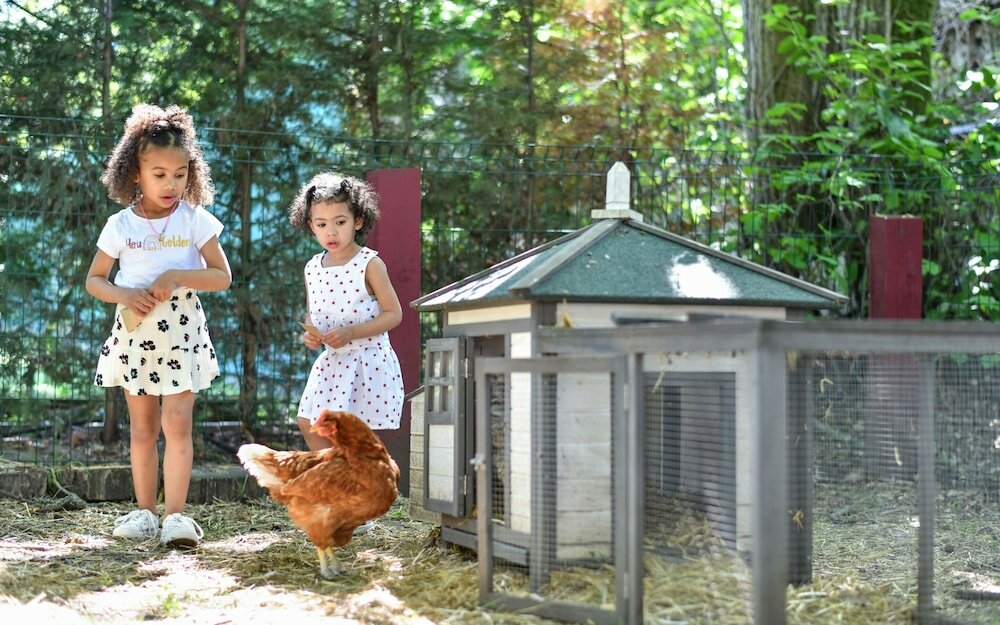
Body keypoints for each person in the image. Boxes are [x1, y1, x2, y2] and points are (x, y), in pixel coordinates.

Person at [86, 104, 231, 548]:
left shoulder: (195, 220)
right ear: (135, 173)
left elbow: (222, 277)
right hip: (136, 339)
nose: (172, 184)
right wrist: (125, 294)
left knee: (178, 427)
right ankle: (145, 513)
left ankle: (176, 518)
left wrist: (175, 277)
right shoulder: (120, 225)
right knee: (143, 430)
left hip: (181, 336)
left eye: (181, 174)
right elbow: (94, 280)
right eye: (160, 174)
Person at [287, 172, 404, 453]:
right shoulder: (312, 267)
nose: (331, 232)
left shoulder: (369, 264)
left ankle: (356, 490)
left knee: (354, 439)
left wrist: (351, 332)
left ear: (358, 221)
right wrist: (312, 336)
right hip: (332, 363)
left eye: (340, 222)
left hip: (367, 362)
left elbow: (393, 314)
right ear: (310, 225)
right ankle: (337, 487)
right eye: (322, 224)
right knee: (307, 422)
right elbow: (313, 314)